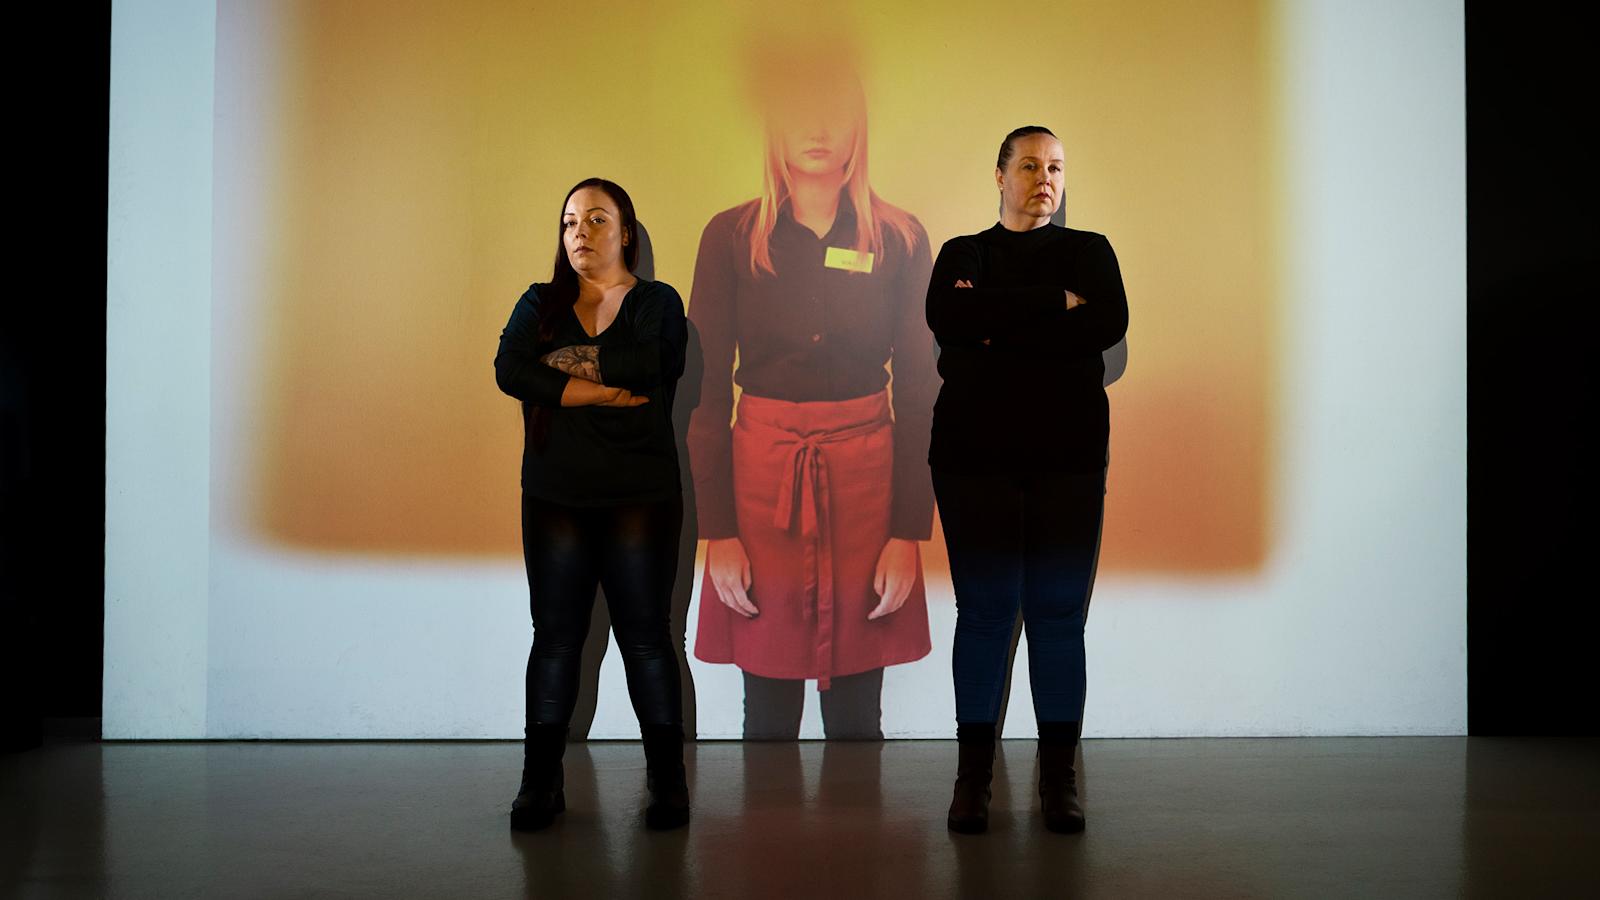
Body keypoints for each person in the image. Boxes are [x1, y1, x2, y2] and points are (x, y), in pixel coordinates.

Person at [686, 71, 938, 740]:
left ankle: (856, 817)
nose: (818, 128)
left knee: (857, 713)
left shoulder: (902, 239)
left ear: (860, 127)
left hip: (867, 485)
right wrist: (718, 531)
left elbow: (921, 391)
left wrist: (907, 533)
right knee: (767, 711)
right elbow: (702, 391)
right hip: (760, 484)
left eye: (834, 111)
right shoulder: (730, 236)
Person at [926, 126, 1129, 833]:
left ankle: (1059, 782)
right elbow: (948, 317)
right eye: (1031, 165)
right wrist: (1054, 303)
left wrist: (993, 330)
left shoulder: (1090, 251)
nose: (1046, 178)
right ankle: (972, 780)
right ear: (1000, 175)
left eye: (1057, 167)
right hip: (971, 458)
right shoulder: (964, 252)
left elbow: (1107, 324)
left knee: (1057, 615)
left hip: (1068, 457)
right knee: (984, 614)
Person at [493, 177, 691, 831]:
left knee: (647, 639)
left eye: (597, 219)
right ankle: (539, 784)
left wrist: (559, 367)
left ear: (625, 232)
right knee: (555, 640)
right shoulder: (540, 301)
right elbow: (511, 370)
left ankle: (667, 784)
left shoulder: (658, 301)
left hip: (641, 497)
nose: (580, 232)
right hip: (556, 497)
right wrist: (604, 390)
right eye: (570, 222)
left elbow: (651, 364)